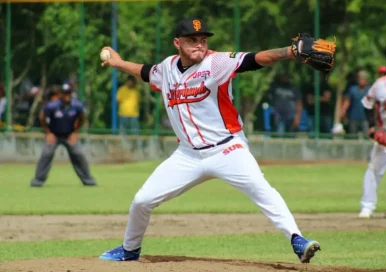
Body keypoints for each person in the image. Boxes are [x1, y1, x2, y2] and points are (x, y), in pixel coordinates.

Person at [99, 17, 320, 263]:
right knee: (142, 200)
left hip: (228, 148)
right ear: (177, 43)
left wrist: (289, 52)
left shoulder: (216, 63)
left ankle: (297, 240)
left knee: (261, 188)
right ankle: (130, 250)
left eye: (202, 40)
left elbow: (254, 59)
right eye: (192, 40)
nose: (199, 45)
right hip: (188, 155)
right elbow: (143, 71)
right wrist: (117, 63)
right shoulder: (167, 68)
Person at [30, 84, 96, 187]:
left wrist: (75, 132)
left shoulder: (76, 105)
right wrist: (48, 133)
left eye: (69, 93)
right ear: (60, 94)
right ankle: (38, 181)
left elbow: (82, 117)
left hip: (69, 135)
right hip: (54, 134)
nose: (67, 96)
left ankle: (88, 180)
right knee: (47, 153)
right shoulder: (52, 106)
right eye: (65, 93)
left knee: (78, 154)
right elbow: (42, 117)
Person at [359, 72, 386, 218]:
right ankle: (367, 206)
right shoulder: (381, 84)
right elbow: (367, 103)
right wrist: (372, 127)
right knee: (373, 170)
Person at [340, 70, 371, 135]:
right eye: (360, 79)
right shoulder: (352, 89)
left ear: (366, 80)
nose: (361, 81)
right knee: (352, 135)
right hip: (353, 117)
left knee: (366, 135)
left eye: (363, 79)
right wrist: (343, 111)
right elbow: (347, 101)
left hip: (365, 118)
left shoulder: (369, 90)